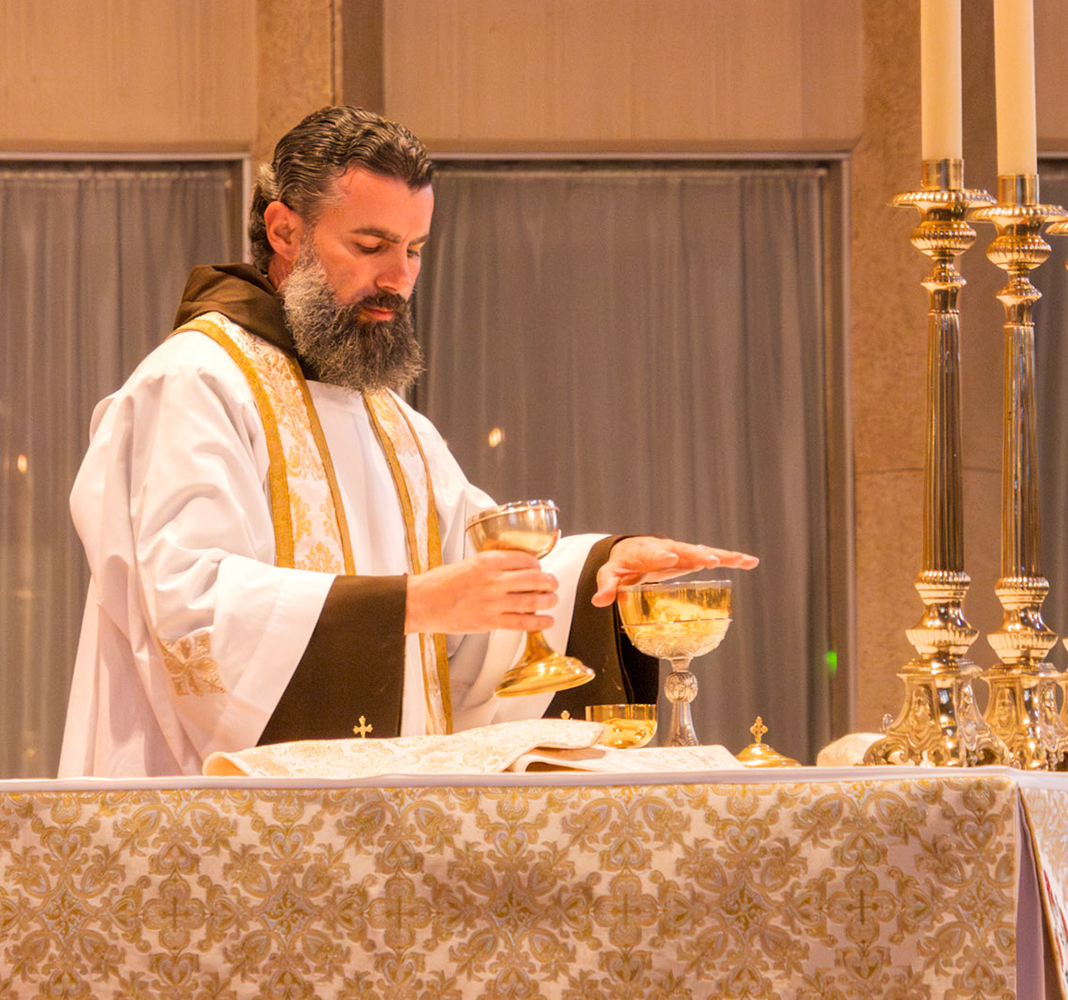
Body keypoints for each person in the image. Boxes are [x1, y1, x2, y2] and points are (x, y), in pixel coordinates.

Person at [59, 106, 756, 777]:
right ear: (284, 231)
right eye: (370, 246)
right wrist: (413, 606)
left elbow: (469, 576)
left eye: (414, 249)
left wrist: (597, 570)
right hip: (219, 814)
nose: (399, 278)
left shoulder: (386, 415)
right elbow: (190, 610)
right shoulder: (194, 383)